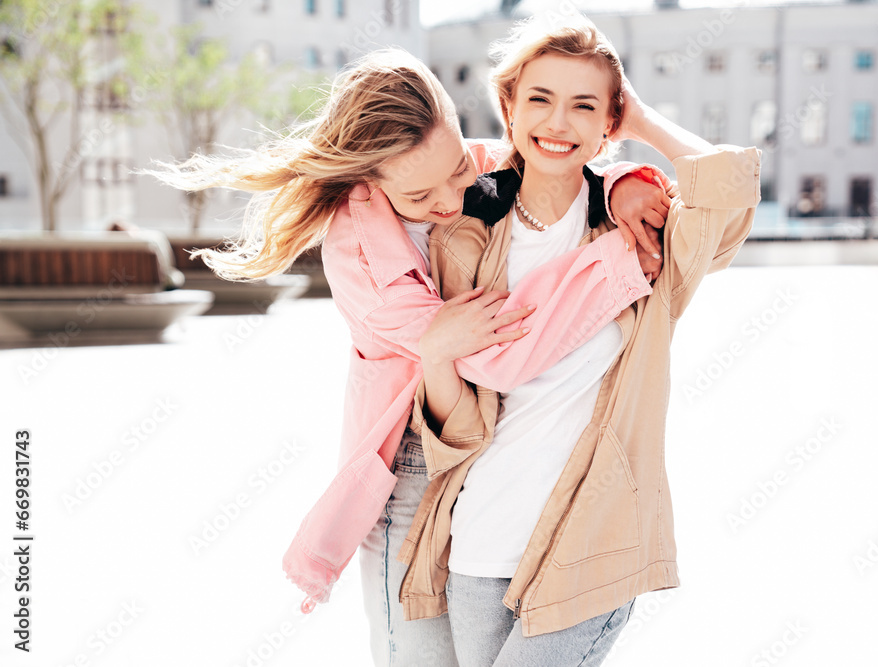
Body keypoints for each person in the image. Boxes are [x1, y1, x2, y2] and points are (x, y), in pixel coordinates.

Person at [143, 48, 671, 665]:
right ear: (368, 180)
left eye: (456, 170)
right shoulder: (361, 259)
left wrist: (630, 182)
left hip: (481, 461)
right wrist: (614, 265)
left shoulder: (450, 161)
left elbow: (544, 163)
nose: (453, 197)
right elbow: (495, 359)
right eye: (422, 195)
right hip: (410, 472)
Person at [400, 14, 762, 666]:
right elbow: (459, 428)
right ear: (508, 107)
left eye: (584, 105)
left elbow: (727, 189)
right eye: (539, 98)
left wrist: (642, 124)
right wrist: (436, 353)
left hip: (589, 545)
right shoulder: (464, 236)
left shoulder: (644, 236)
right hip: (478, 543)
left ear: (608, 122)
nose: (558, 122)